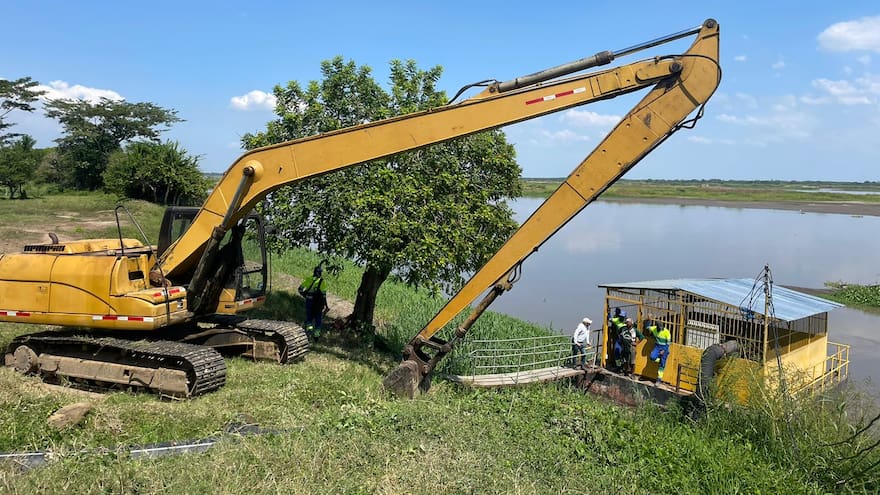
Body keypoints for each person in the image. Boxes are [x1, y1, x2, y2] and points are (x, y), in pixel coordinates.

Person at [298, 264, 329, 338]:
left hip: (309, 301)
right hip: (318, 304)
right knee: (318, 319)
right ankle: (316, 335)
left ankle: (309, 332)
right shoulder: (322, 282)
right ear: (320, 273)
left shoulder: (309, 279)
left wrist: (305, 296)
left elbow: (300, 289)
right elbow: (324, 296)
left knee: (309, 318)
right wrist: (326, 305)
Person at [645, 315, 671, 385]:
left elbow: (668, 343)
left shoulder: (667, 332)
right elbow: (647, 327)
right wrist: (649, 320)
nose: (661, 329)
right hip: (657, 346)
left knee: (662, 365)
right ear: (657, 327)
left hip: (664, 347)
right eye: (660, 328)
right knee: (652, 357)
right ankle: (659, 359)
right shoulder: (654, 329)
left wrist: (664, 350)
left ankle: (659, 379)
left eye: (662, 328)